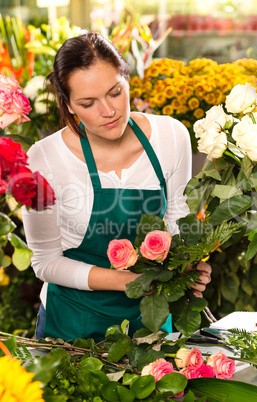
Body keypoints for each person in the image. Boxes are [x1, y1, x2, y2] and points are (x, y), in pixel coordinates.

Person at [22, 32, 211, 342]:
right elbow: (46, 261)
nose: (108, 111)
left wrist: (189, 267)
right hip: (72, 323)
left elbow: (179, 215)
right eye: (88, 103)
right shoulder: (44, 158)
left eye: (114, 92)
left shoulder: (170, 136)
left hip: (150, 317)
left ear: (127, 79)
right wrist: (126, 280)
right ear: (68, 105)